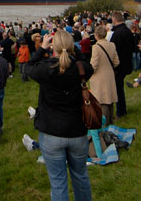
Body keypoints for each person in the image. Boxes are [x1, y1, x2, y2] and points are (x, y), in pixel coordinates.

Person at [23, 31, 92, 201]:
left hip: (51, 131)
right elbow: (86, 62)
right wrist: (72, 47)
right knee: (81, 176)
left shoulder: (46, 69)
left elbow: (28, 67)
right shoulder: (81, 68)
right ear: (71, 47)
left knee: (58, 182)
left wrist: (42, 48)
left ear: (53, 47)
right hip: (77, 129)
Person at [89, 25, 119, 125]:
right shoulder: (112, 45)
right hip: (109, 74)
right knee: (109, 99)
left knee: (102, 100)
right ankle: (110, 120)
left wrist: (88, 72)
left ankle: (104, 123)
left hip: (99, 76)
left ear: (96, 35)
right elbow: (116, 62)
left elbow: (94, 64)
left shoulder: (96, 47)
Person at [109, 12, 134, 118]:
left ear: (114, 19)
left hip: (119, 64)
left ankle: (121, 112)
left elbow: (113, 50)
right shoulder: (127, 31)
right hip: (127, 62)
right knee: (119, 87)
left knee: (118, 89)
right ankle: (121, 110)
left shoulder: (117, 33)